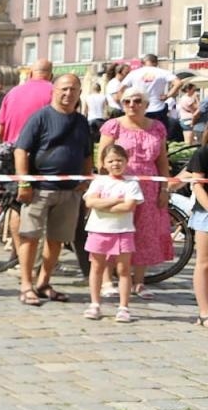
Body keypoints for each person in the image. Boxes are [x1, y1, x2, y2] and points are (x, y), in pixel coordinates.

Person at [13, 74, 92, 307]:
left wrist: (85, 179)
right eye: (64, 89)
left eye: (73, 89)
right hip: (39, 189)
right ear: (54, 91)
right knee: (30, 237)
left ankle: (44, 282)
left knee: (57, 239)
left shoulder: (81, 122)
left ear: (79, 93)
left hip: (69, 191)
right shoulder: (40, 117)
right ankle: (26, 284)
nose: (68, 94)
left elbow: (87, 153)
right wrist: (24, 182)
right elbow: (21, 150)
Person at [96, 87, 173, 294]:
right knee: (114, 229)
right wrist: (105, 185)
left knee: (145, 232)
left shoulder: (157, 127)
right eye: (127, 101)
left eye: (137, 101)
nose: (132, 105)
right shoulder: (113, 126)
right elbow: (102, 159)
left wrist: (164, 188)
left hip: (149, 186)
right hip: (119, 183)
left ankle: (139, 281)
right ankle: (107, 281)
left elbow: (162, 160)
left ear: (146, 104)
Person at [83, 144, 143, 323]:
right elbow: (90, 202)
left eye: (119, 160)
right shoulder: (98, 182)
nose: (115, 164)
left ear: (126, 161)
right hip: (98, 230)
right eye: (111, 161)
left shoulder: (132, 183)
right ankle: (95, 304)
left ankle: (124, 307)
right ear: (103, 163)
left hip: (123, 231)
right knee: (97, 267)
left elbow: (129, 206)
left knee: (124, 269)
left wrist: (104, 205)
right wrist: (115, 201)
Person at [119, 53, 183, 141]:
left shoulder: (134, 73)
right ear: (156, 63)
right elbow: (178, 83)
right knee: (159, 136)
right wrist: (168, 95)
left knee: (137, 134)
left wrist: (127, 103)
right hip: (157, 108)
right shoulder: (163, 72)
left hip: (139, 108)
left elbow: (121, 89)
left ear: (143, 63)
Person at [0, 59, 54, 148]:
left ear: (30, 74)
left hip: (12, 149)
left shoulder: (12, 93)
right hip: (42, 150)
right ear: (51, 76)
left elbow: (0, 131)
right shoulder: (56, 92)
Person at [186, 144, 208, 327]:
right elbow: (197, 185)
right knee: (204, 263)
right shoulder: (203, 153)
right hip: (205, 213)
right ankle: (204, 312)